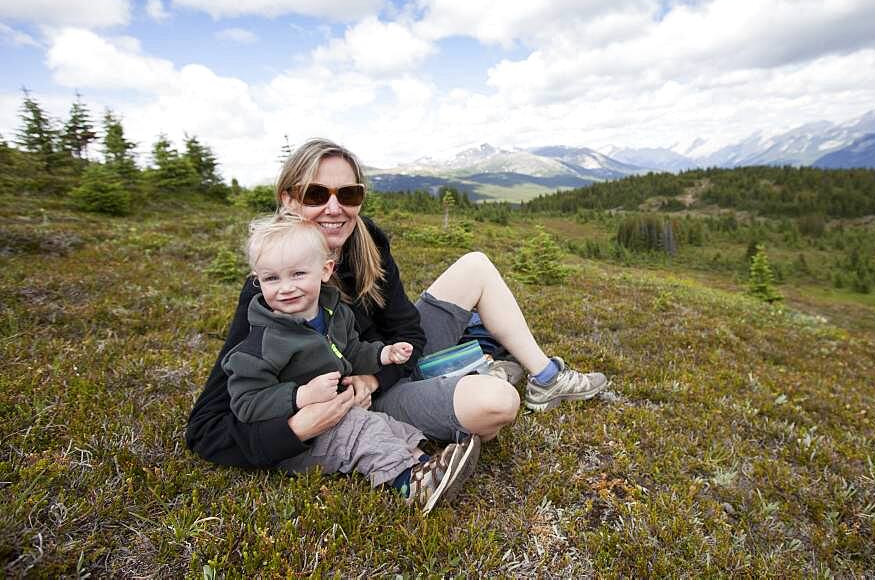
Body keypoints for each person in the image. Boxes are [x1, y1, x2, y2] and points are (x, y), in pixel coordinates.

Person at [186, 138, 607, 472]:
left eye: (348, 194)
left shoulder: (366, 240)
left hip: (388, 365)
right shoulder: (271, 291)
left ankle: (546, 377)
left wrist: (377, 377)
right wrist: (296, 427)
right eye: (316, 194)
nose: (335, 208)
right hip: (364, 401)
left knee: (475, 265)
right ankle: (482, 363)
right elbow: (207, 429)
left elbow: (408, 331)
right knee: (497, 404)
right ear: (289, 200)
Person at [222, 211, 479, 514]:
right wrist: (300, 396)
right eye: (271, 278)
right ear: (257, 280)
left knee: (383, 424)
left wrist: (383, 355)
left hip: (341, 410)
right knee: (361, 431)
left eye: (298, 274)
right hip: (302, 441)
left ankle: (424, 464)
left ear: (325, 270)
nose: (285, 287)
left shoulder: (334, 313)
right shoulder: (260, 344)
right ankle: (411, 483)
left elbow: (352, 350)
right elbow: (246, 404)